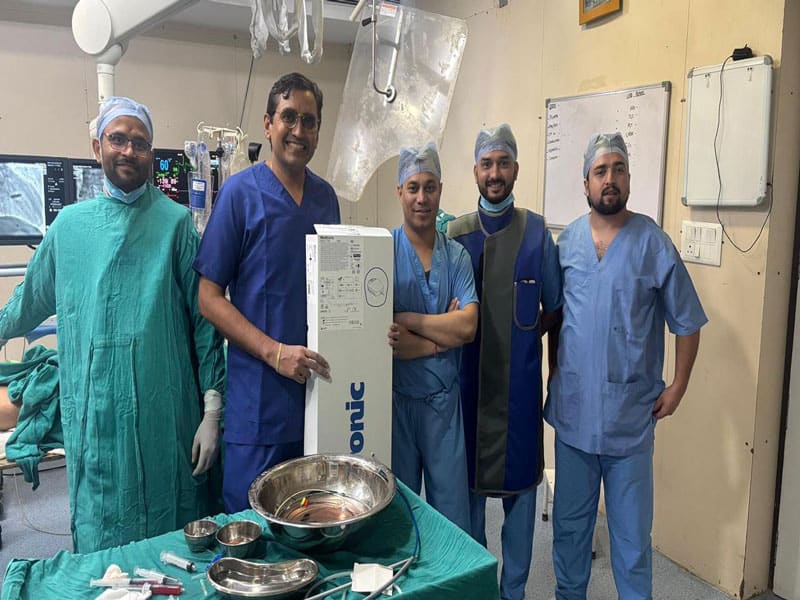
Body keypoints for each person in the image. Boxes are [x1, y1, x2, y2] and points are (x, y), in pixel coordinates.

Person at [0, 96, 226, 553]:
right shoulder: (68, 228)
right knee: (104, 545)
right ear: (97, 147)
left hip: (167, 416)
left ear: (151, 153)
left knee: (171, 542)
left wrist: (212, 410)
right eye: (117, 139)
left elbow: (205, 325)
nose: (128, 151)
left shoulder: (176, 225)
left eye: (140, 143)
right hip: (95, 419)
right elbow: (26, 304)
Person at [545, 132, 707, 599]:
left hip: (629, 422)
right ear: (586, 183)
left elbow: (687, 321)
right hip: (574, 418)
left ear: (629, 179)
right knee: (569, 531)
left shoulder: (653, 244)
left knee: (632, 542)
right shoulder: (567, 243)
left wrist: (678, 386)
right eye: (600, 171)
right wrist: (555, 372)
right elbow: (555, 318)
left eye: (618, 169)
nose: (609, 179)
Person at [194, 72, 340, 513]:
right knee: (252, 525)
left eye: (309, 121)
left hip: (317, 398)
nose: (299, 130)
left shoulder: (326, 199)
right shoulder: (239, 194)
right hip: (259, 406)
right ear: (268, 124)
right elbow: (208, 298)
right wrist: (274, 353)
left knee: (312, 519)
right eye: (289, 117)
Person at [448, 124, 562, 600]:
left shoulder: (537, 234)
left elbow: (554, 310)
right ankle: (479, 592)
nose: (495, 173)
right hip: (467, 395)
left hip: (519, 399)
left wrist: (544, 363)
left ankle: (513, 592)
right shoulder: (455, 235)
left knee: (521, 500)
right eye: (486, 164)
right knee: (468, 504)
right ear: (475, 170)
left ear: (516, 168)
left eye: (503, 163)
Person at [388, 142, 478, 531]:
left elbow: (468, 327)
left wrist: (408, 319)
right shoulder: (383, 252)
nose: (422, 198)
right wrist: (442, 333)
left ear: (440, 189)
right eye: (413, 187)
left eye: (429, 187)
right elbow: (387, 339)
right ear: (400, 192)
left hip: (444, 406)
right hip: (396, 406)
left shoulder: (457, 257)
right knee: (398, 518)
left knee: (452, 519)